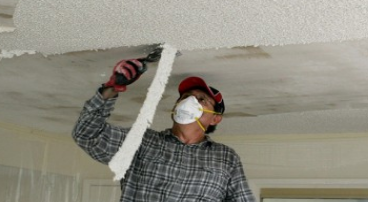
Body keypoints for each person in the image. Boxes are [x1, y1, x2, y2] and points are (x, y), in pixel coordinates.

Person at [73, 58, 255, 201]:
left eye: (201, 99)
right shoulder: (142, 141)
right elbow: (87, 135)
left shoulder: (225, 158)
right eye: (185, 97)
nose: (189, 102)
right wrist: (111, 88)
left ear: (215, 118)